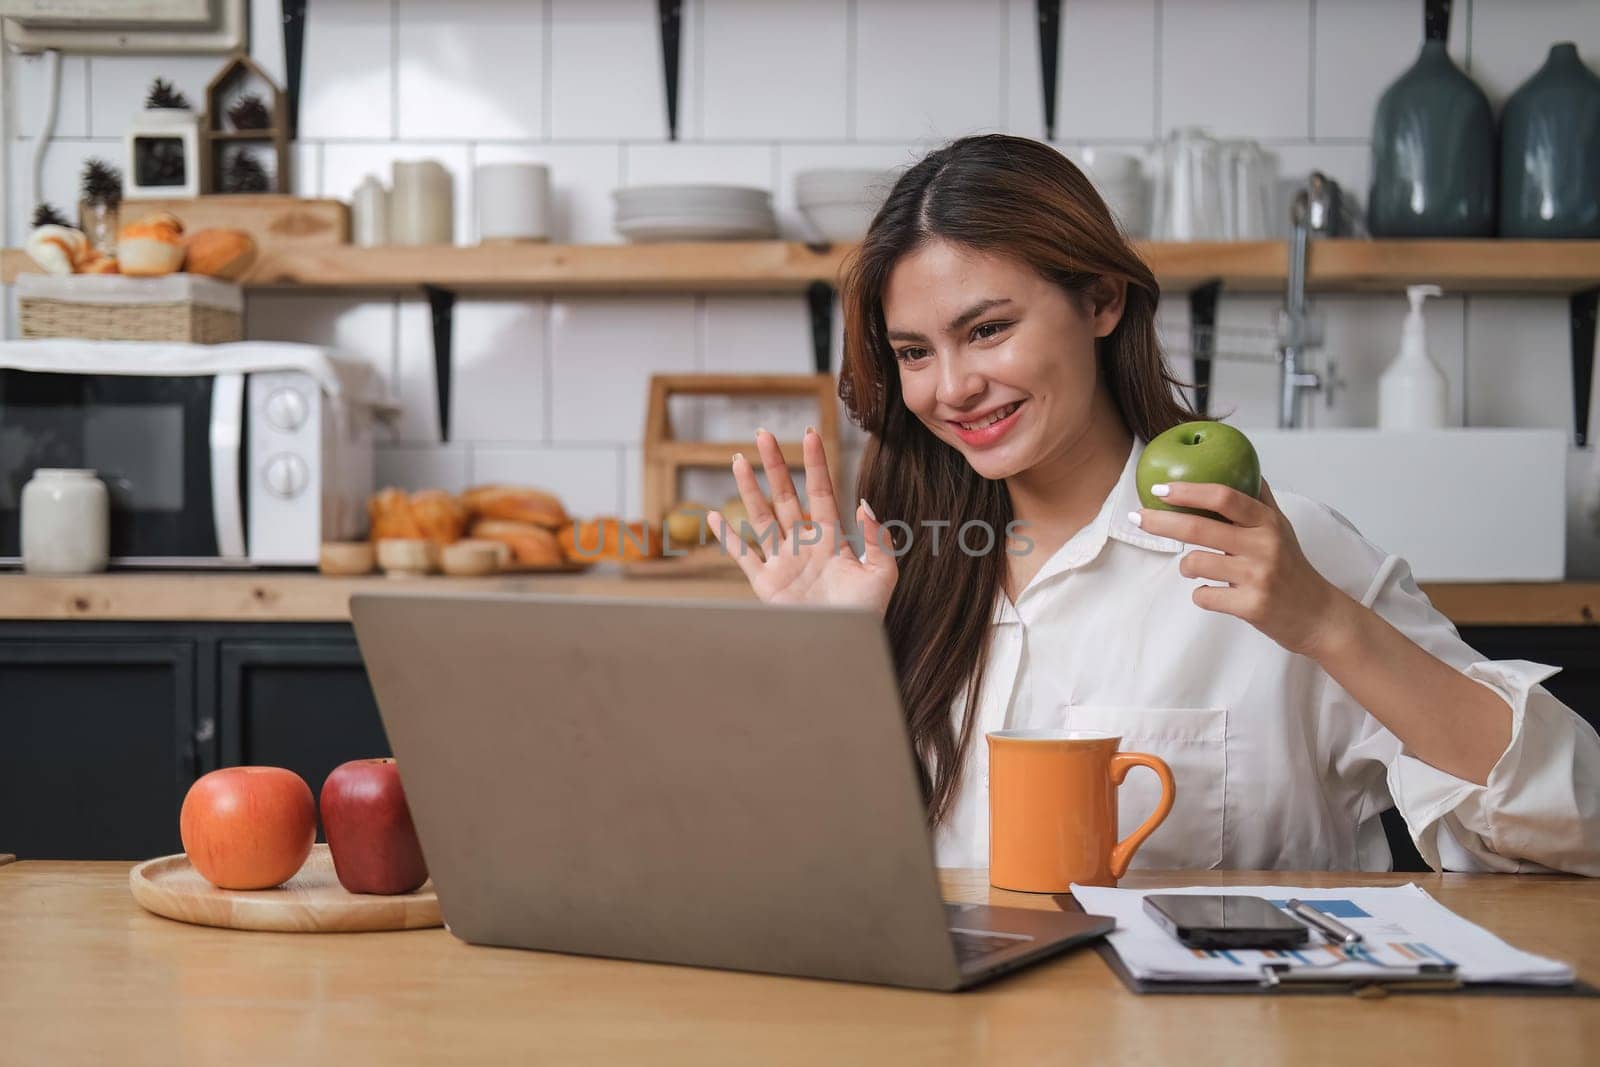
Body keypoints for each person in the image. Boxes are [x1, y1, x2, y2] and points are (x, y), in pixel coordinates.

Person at [706, 134, 1600, 876]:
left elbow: (1574, 824)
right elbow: (828, 877)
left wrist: (1327, 621)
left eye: (988, 329)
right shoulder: (908, 570)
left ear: (1100, 300)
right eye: (913, 352)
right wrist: (827, 664)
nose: (954, 386)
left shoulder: (1279, 553)